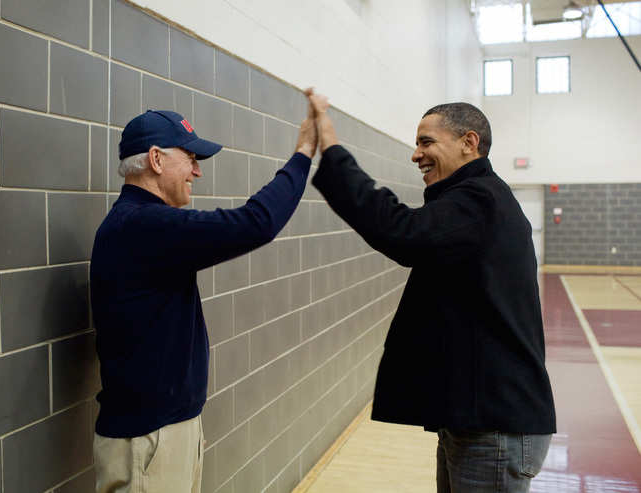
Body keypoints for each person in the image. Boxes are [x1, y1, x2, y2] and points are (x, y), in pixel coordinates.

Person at [307, 94, 556, 493]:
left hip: (493, 426)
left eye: (426, 142)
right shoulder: (476, 200)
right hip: (475, 418)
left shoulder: (480, 201)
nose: (416, 154)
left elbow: (400, 231)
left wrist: (334, 153)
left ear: (468, 142)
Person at [90, 105, 317, 493]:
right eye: (191, 159)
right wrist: (303, 153)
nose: (197, 171)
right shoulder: (144, 225)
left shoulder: (143, 224)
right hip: (150, 439)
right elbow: (256, 223)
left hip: (165, 432)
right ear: (157, 160)